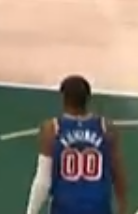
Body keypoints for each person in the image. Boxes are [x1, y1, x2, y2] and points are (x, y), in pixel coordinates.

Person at [24, 75, 127, 214]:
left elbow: (43, 180)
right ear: (88, 98)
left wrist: (31, 211)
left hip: (65, 208)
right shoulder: (106, 128)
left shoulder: (52, 129)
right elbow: (118, 173)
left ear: (63, 98)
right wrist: (123, 208)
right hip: (98, 207)